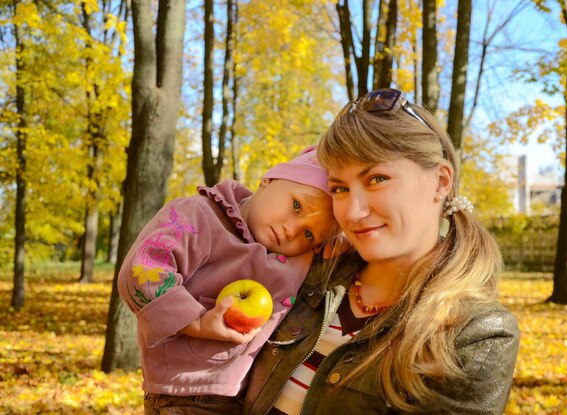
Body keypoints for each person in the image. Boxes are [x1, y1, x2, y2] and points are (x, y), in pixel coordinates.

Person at [243, 88, 520, 414]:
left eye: (376, 178)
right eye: (340, 188)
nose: (353, 212)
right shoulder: (308, 274)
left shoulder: (475, 334)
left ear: (441, 181)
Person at [117, 146, 339, 414]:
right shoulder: (199, 216)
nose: (291, 230)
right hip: (186, 396)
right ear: (268, 180)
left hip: (245, 398)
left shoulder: (296, 256)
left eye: (309, 234)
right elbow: (142, 271)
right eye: (296, 206)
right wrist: (196, 322)